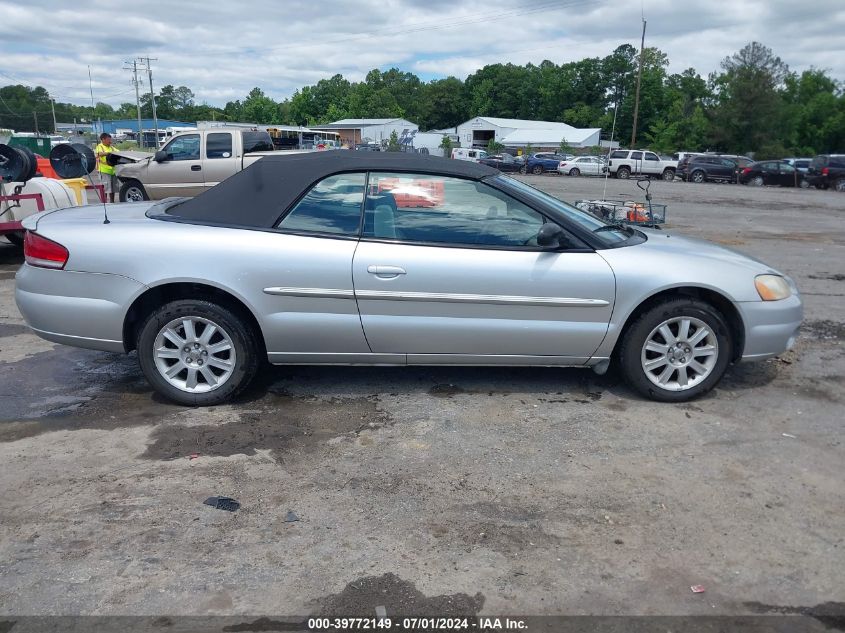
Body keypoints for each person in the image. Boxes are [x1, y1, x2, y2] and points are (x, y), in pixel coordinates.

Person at [94, 132, 118, 203]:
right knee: (105, 188)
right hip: (104, 171)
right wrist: (109, 153)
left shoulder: (111, 147)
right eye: (108, 140)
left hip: (112, 171)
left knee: (112, 188)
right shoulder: (99, 146)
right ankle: (104, 203)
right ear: (103, 139)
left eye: (110, 140)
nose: (110, 141)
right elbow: (99, 154)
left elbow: (118, 152)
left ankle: (112, 202)